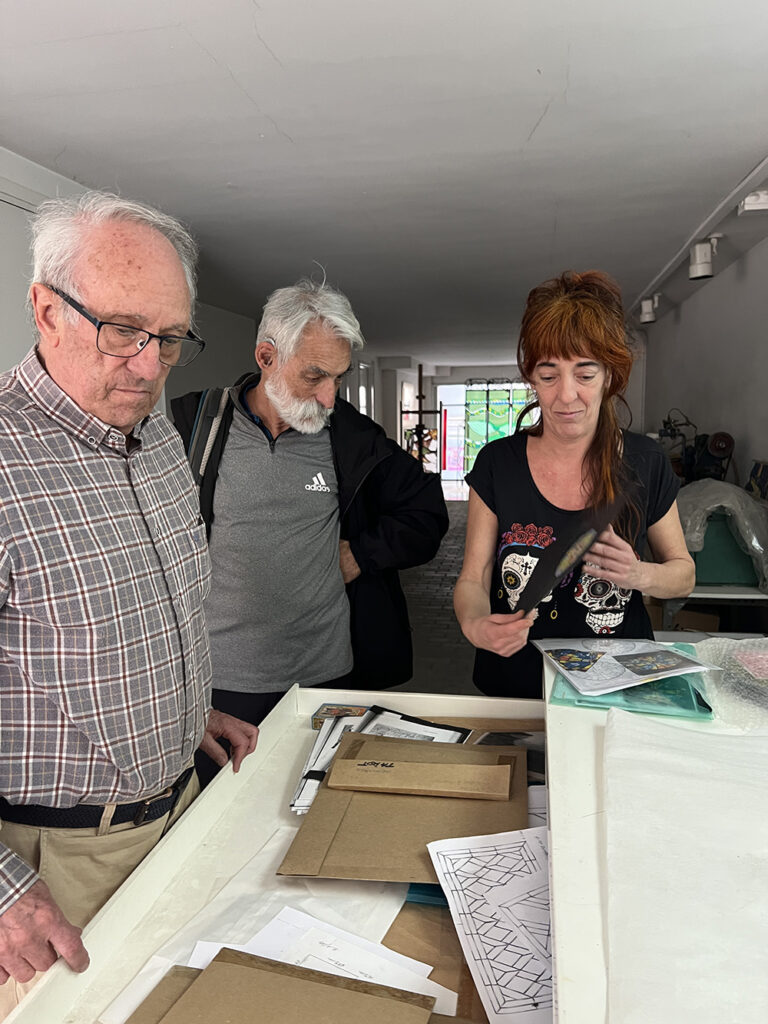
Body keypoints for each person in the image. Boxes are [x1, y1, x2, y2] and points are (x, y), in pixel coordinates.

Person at [0, 191, 259, 1013]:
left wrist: (185, 714)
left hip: (181, 802)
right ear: (45, 308)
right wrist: (5, 892)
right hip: (55, 868)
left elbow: (145, 614)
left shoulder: (157, 443)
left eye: (171, 338)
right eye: (121, 331)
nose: (149, 366)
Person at [171, 279, 449, 781]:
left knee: (315, 813)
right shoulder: (194, 424)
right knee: (222, 827)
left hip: (327, 674)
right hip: (219, 683)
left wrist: (361, 554)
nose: (329, 396)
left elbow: (427, 514)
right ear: (267, 356)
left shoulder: (352, 437)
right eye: (315, 375)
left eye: (339, 378)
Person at [454, 270, 695, 698]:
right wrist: (476, 625)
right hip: (515, 681)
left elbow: (683, 575)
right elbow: (475, 576)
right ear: (531, 376)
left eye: (585, 375)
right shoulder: (498, 464)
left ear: (610, 376)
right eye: (549, 376)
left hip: (615, 686)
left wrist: (638, 573)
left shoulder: (646, 462)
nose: (566, 396)